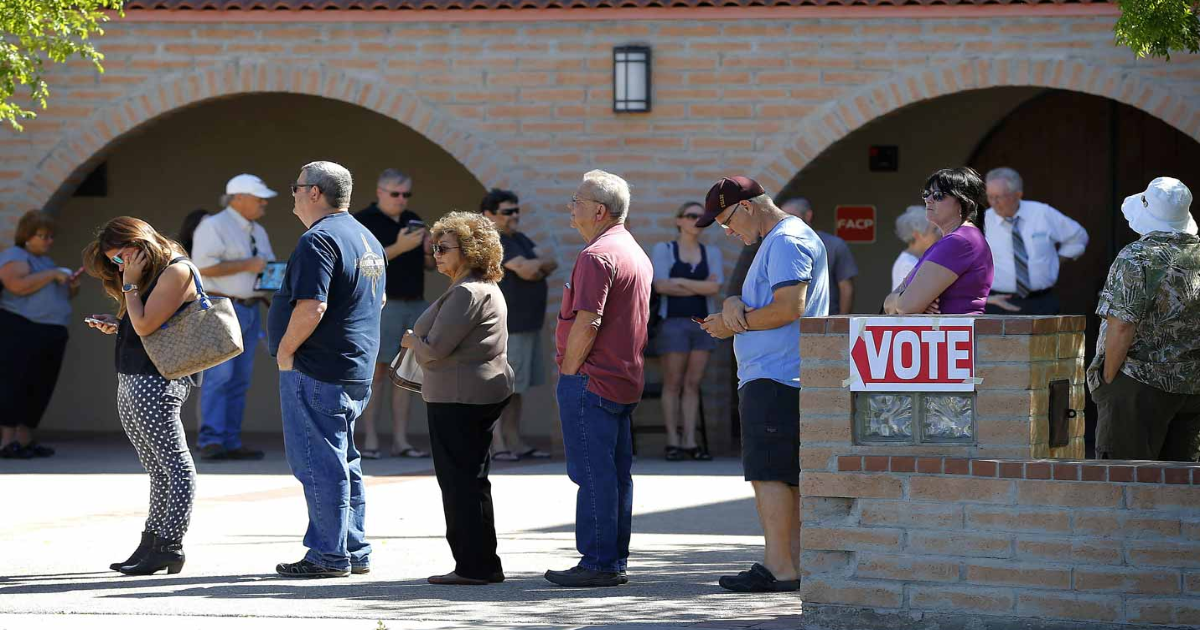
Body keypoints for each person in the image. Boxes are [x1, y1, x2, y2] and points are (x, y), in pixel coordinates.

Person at [695, 176, 829, 593]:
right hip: (778, 375)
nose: (728, 232)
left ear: (749, 206)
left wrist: (729, 323)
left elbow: (790, 307)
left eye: (727, 221)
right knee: (782, 475)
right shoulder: (775, 241)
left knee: (770, 474)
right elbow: (767, 301)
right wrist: (734, 305)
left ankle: (779, 567)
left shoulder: (786, 239)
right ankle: (791, 563)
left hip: (777, 376)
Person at [268, 161, 385, 578]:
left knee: (318, 462)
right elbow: (377, 303)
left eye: (296, 187)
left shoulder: (318, 240)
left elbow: (312, 306)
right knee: (343, 459)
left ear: (314, 192)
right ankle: (352, 548)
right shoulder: (367, 238)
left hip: (317, 368)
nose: (293, 195)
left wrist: (285, 351)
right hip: (353, 366)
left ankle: (327, 554)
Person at [545, 170, 652, 588]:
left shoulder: (596, 255)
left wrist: (570, 371)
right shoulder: (632, 251)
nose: (571, 208)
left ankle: (599, 562)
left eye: (577, 201)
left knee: (592, 473)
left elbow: (588, 321)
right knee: (614, 474)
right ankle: (611, 559)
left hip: (594, 379)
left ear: (599, 210)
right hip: (623, 379)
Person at [83, 216, 202, 575]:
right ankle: (152, 540)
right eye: (115, 262)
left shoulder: (176, 270)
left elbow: (148, 324)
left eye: (122, 257)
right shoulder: (147, 275)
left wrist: (130, 287)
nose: (120, 267)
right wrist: (118, 323)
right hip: (134, 375)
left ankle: (170, 544)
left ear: (140, 243)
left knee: (176, 467)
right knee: (157, 469)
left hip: (160, 379)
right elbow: (144, 326)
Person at [400, 211, 514, 585]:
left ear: (470, 250)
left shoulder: (467, 291)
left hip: (460, 396)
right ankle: (481, 564)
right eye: (434, 247)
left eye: (444, 248)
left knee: (461, 483)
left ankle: (474, 567)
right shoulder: (480, 287)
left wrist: (410, 342)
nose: (436, 253)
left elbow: (434, 350)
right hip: (471, 392)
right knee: (470, 480)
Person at [1089, 177, 1200, 462]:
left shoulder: (1138, 256)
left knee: (1125, 479)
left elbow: (1122, 324)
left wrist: (1108, 378)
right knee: (1181, 487)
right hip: (1191, 384)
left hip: (1138, 382)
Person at [190, 175, 277, 461]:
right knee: (220, 376)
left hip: (250, 308)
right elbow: (201, 267)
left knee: (240, 378)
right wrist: (248, 265)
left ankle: (230, 441)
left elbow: (268, 268)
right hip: (221, 309)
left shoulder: (259, 230)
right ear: (238, 197)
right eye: (258, 197)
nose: (264, 203)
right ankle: (212, 440)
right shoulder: (213, 225)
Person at [354, 169, 434, 459]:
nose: (401, 200)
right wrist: (399, 247)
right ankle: (370, 440)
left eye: (406, 194)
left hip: (415, 304)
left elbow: (426, 267)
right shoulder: (363, 221)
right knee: (376, 372)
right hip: (382, 304)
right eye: (395, 194)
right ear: (380, 192)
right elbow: (362, 265)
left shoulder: (412, 218)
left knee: (406, 373)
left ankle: (401, 441)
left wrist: (426, 251)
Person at [480, 188, 555, 462]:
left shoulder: (519, 238)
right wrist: (535, 266)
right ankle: (497, 444)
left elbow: (550, 262)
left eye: (516, 210)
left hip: (527, 325)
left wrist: (536, 265)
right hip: (508, 328)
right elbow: (529, 269)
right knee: (501, 389)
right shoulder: (495, 241)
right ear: (489, 214)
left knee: (517, 388)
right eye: (507, 211)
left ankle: (515, 441)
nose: (515, 216)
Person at [0, 211, 80, 459]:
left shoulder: (46, 262)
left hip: (51, 332)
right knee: (15, 384)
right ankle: (6, 441)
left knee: (39, 387)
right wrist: (53, 274)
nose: (47, 241)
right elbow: (17, 286)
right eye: (41, 236)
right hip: (22, 329)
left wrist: (70, 284)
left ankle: (24, 440)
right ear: (26, 236)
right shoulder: (16, 256)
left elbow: (59, 296)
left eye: (50, 237)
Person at [650, 201, 724, 461]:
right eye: (691, 216)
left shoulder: (711, 251)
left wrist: (680, 281)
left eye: (702, 216)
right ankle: (673, 441)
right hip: (672, 322)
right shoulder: (664, 249)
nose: (697, 220)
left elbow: (714, 288)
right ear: (679, 220)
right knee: (673, 383)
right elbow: (660, 285)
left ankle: (691, 441)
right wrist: (698, 285)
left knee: (692, 384)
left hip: (703, 323)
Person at [884, 168, 994, 316]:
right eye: (926, 193)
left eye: (938, 195)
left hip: (955, 335)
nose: (928, 199)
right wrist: (906, 299)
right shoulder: (957, 239)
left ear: (964, 203)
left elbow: (905, 307)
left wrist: (900, 299)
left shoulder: (958, 241)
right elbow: (890, 305)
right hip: (947, 334)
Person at [983, 167, 1088, 315]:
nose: (993, 203)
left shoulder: (1042, 213)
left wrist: (1056, 260)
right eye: (990, 197)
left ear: (1018, 195)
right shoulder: (982, 221)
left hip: (1041, 302)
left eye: (999, 197)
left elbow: (1078, 237)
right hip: (999, 303)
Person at [781, 198, 858, 314]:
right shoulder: (780, 246)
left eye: (791, 216)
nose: (786, 221)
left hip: (826, 319)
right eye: (783, 217)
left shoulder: (834, 245)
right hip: (788, 322)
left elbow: (846, 288)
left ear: (808, 215)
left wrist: (842, 324)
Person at [891, 205, 942, 289]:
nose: (939, 233)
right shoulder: (907, 265)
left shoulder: (918, 259)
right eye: (934, 230)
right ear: (917, 235)